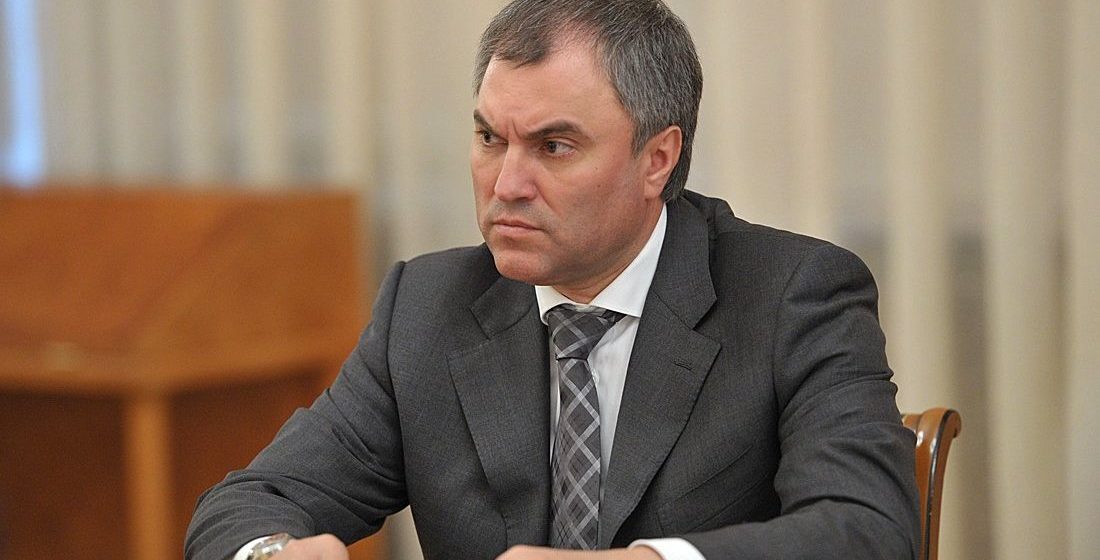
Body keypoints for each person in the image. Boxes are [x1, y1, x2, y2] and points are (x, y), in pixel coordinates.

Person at [185, 1, 919, 559]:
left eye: (554, 146)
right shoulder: (427, 309)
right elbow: (247, 503)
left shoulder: (791, 295)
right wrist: (270, 553)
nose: (506, 184)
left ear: (657, 160)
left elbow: (870, 529)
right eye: (489, 138)